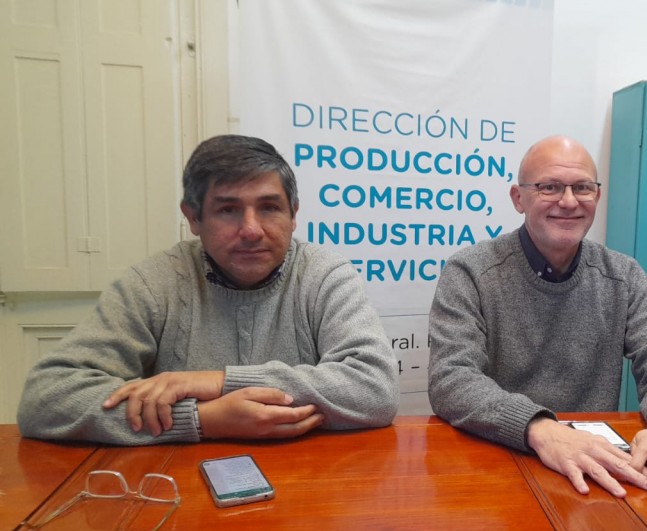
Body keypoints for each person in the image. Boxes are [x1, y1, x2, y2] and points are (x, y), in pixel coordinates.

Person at [18, 134, 399, 445]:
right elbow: (46, 399)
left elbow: (375, 390)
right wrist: (203, 419)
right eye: (228, 210)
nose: (251, 230)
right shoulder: (154, 283)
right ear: (193, 217)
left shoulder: (325, 275)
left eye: (269, 207)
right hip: (178, 490)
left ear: (293, 214)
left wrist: (217, 381)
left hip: (310, 489)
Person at [428, 135, 647, 498]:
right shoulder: (470, 271)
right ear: (518, 198)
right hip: (500, 463)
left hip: (595, 471)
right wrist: (541, 430)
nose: (568, 201)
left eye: (582, 187)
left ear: (598, 196)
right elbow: (451, 378)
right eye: (549, 187)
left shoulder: (623, 275)